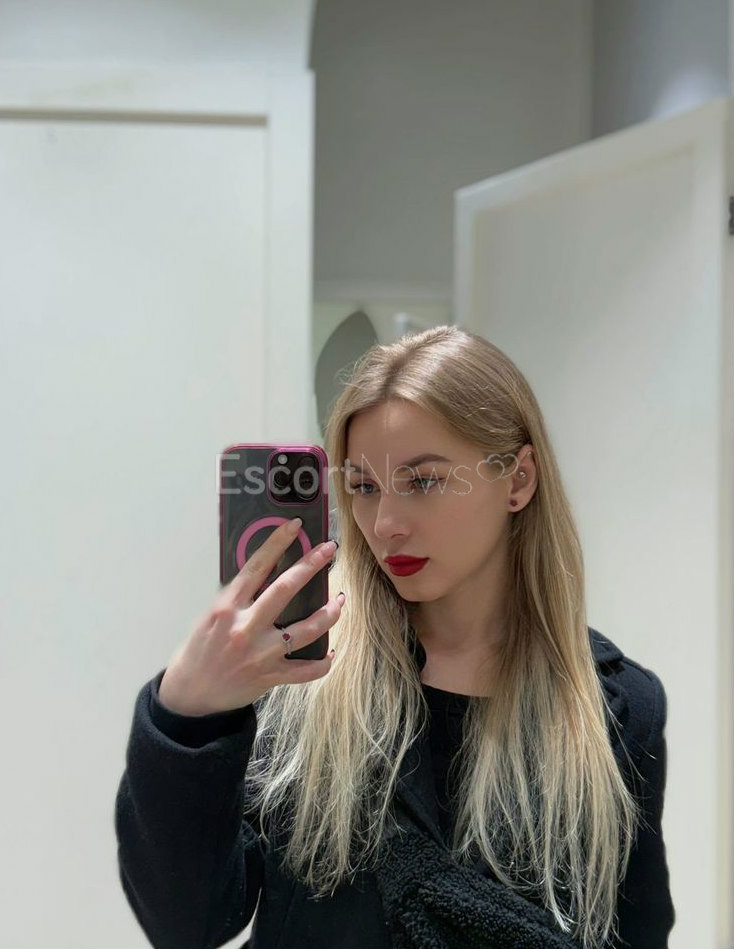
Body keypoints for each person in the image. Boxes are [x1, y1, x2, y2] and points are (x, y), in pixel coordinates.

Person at [115, 325, 675, 949]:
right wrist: (186, 715)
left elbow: (635, 935)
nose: (384, 524)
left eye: (423, 481)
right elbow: (188, 921)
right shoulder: (299, 673)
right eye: (363, 486)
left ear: (518, 480)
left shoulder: (616, 710)